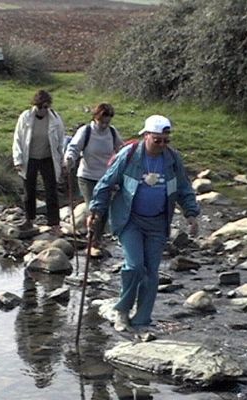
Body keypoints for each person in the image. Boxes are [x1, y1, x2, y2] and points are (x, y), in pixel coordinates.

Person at [88, 115, 200, 332]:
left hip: (158, 222)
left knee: (151, 272)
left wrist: (191, 214)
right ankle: (122, 311)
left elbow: (184, 188)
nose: (162, 145)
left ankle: (142, 320)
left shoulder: (172, 159)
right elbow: (105, 183)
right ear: (146, 136)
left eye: (166, 140)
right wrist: (95, 210)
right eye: (157, 140)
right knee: (135, 266)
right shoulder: (130, 156)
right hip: (130, 219)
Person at [63, 103, 123, 253]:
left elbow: (121, 149)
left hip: (106, 177)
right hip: (87, 176)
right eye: (102, 121)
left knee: (104, 209)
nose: (104, 125)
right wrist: (70, 158)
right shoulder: (86, 131)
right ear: (95, 118)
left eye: (107, 122)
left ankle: (98, 239)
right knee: (94, 208)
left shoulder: (112, 132)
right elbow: (74, 147)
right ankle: (92, 243)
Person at [13, 89, 65, 233]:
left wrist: (63, 159)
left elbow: (61, 140)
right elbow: (17, 139)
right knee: (29, 190)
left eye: (46, 107)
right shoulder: (25, 117)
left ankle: (54, 223)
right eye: (40, 107)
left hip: (48, 158)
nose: (43, 110)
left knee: (51, 190)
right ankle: (29, 220)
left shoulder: (55, 118)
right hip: (30, 158)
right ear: (35, 105)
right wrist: (18, 159)